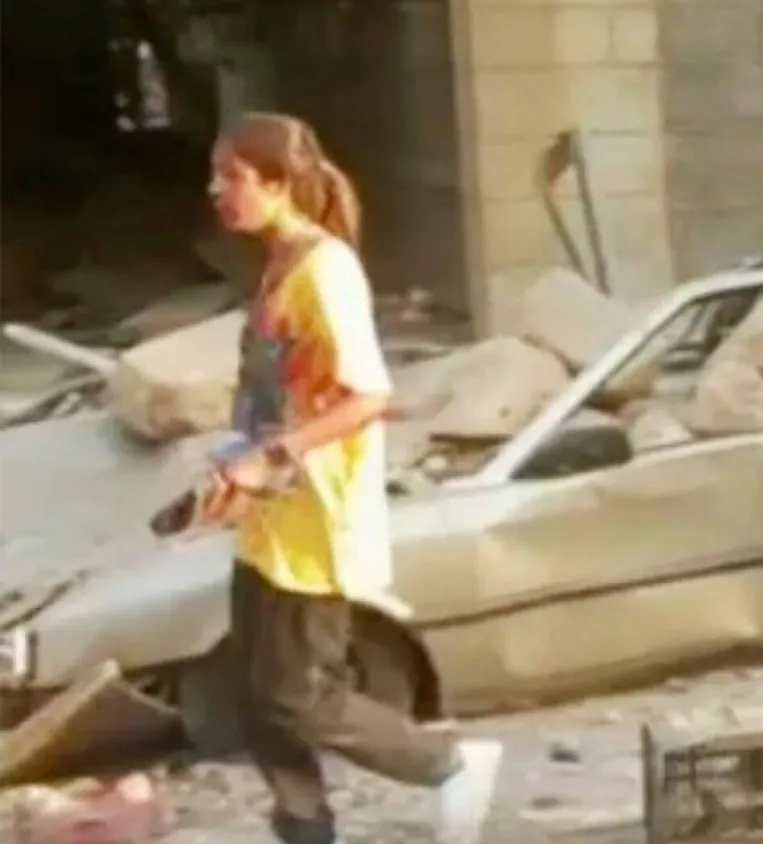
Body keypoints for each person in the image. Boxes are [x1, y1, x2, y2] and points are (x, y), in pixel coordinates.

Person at [205, 112, 503, 844]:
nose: (216, 190)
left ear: (279, 183)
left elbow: (368, 396)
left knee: (300, 695)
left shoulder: (326, 270)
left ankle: (448, 763)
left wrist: (270, 458)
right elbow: (274, 394)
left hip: (316, 520)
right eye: (215, 175)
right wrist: (232, 467)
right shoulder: (277, 265)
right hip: (268, 517)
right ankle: (305, 828)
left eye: (232, 176)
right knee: (255, 696)